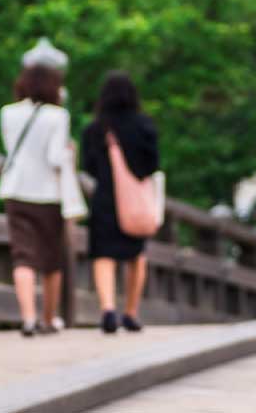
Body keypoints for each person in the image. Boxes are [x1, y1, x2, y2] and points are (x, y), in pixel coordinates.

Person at [0, 42, 73, 338]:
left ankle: (27, 318)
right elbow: (55, 158)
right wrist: (69, 152)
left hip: (16, 189)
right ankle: (48, 318)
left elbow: (9, 149)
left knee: (23, 255)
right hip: (48, 194)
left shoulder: (7, 113)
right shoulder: (58, 116)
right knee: (52, 258)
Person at [81, 71, 159, 334]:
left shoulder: (95, 129)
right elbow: (153, 165)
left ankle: (107, 309)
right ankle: (131, 311)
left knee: (104, 254)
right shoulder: (144, 125)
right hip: (134, 203)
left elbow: (88, 167)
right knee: (135, 254)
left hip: (105, 199)